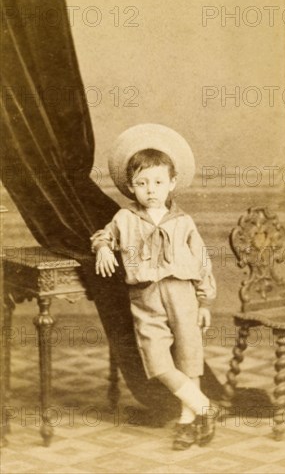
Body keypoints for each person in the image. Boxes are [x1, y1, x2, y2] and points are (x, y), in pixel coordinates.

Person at [91, 124, 218, 450]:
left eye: (158, 182)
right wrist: (104, 247)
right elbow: (104, 235)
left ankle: (189, 423)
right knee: (158, 362)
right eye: (142, 183)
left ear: (172, 183)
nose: (151, 190)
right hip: (145, 297)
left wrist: (204, 302)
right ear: (131, 187)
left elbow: (202, 262)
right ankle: (205, 407)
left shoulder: (183, 222)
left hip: (182, 294)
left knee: (190, 358)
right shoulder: (124, 218)